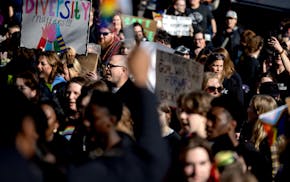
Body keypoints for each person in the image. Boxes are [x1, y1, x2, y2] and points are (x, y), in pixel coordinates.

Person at [68, 46, 170, 181]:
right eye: (84, 114)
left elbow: (153, 152)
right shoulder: (78, 156)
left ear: (112, 119)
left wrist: (141, 81)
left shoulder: (127, 163)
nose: (86, 122)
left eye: (93, 118)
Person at [239, 94, 276, 182]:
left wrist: (247, 147)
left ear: (258, 112)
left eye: (250, 107)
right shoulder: (247, 129)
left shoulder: (271, 138)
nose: (247, 110)